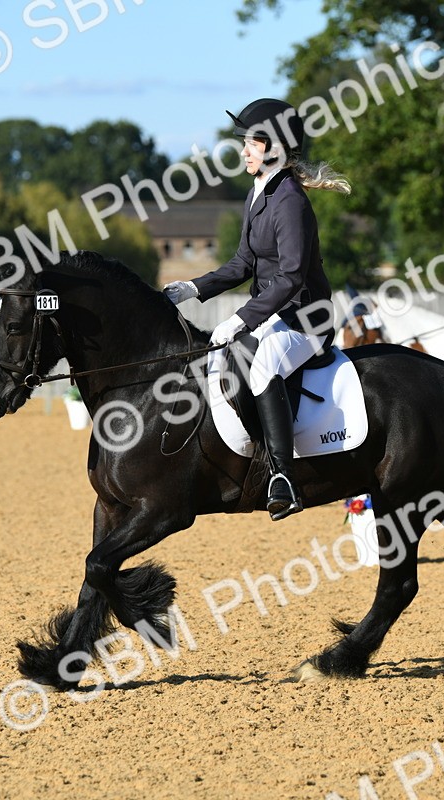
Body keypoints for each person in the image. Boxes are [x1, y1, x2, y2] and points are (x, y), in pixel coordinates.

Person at [163, 98, 351, 520]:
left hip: (306, 319)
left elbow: (291, 277)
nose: (243, 150)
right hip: (275, 313)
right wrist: (192, 288)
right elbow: (243, 264)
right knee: (223, 356)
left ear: (274, 147)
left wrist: (241, 318)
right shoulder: (258, 193)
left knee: (264, 363)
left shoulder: (289, 201)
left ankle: (282, 476)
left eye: (251, 142)